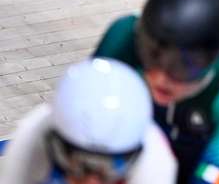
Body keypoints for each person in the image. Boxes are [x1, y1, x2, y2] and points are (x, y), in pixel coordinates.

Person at [94, 0, 219, 184]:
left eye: (182, 67)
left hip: (212, 150)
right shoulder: (123, 34)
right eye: (152, 58)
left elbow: (218, 169)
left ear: (213, 60)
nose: (160, 78)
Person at [0, 57, 177, 184]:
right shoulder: (32, 136)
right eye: (80, 164)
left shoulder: (155, 165)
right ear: (54, 143)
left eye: (110, 167)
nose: (91, 182)